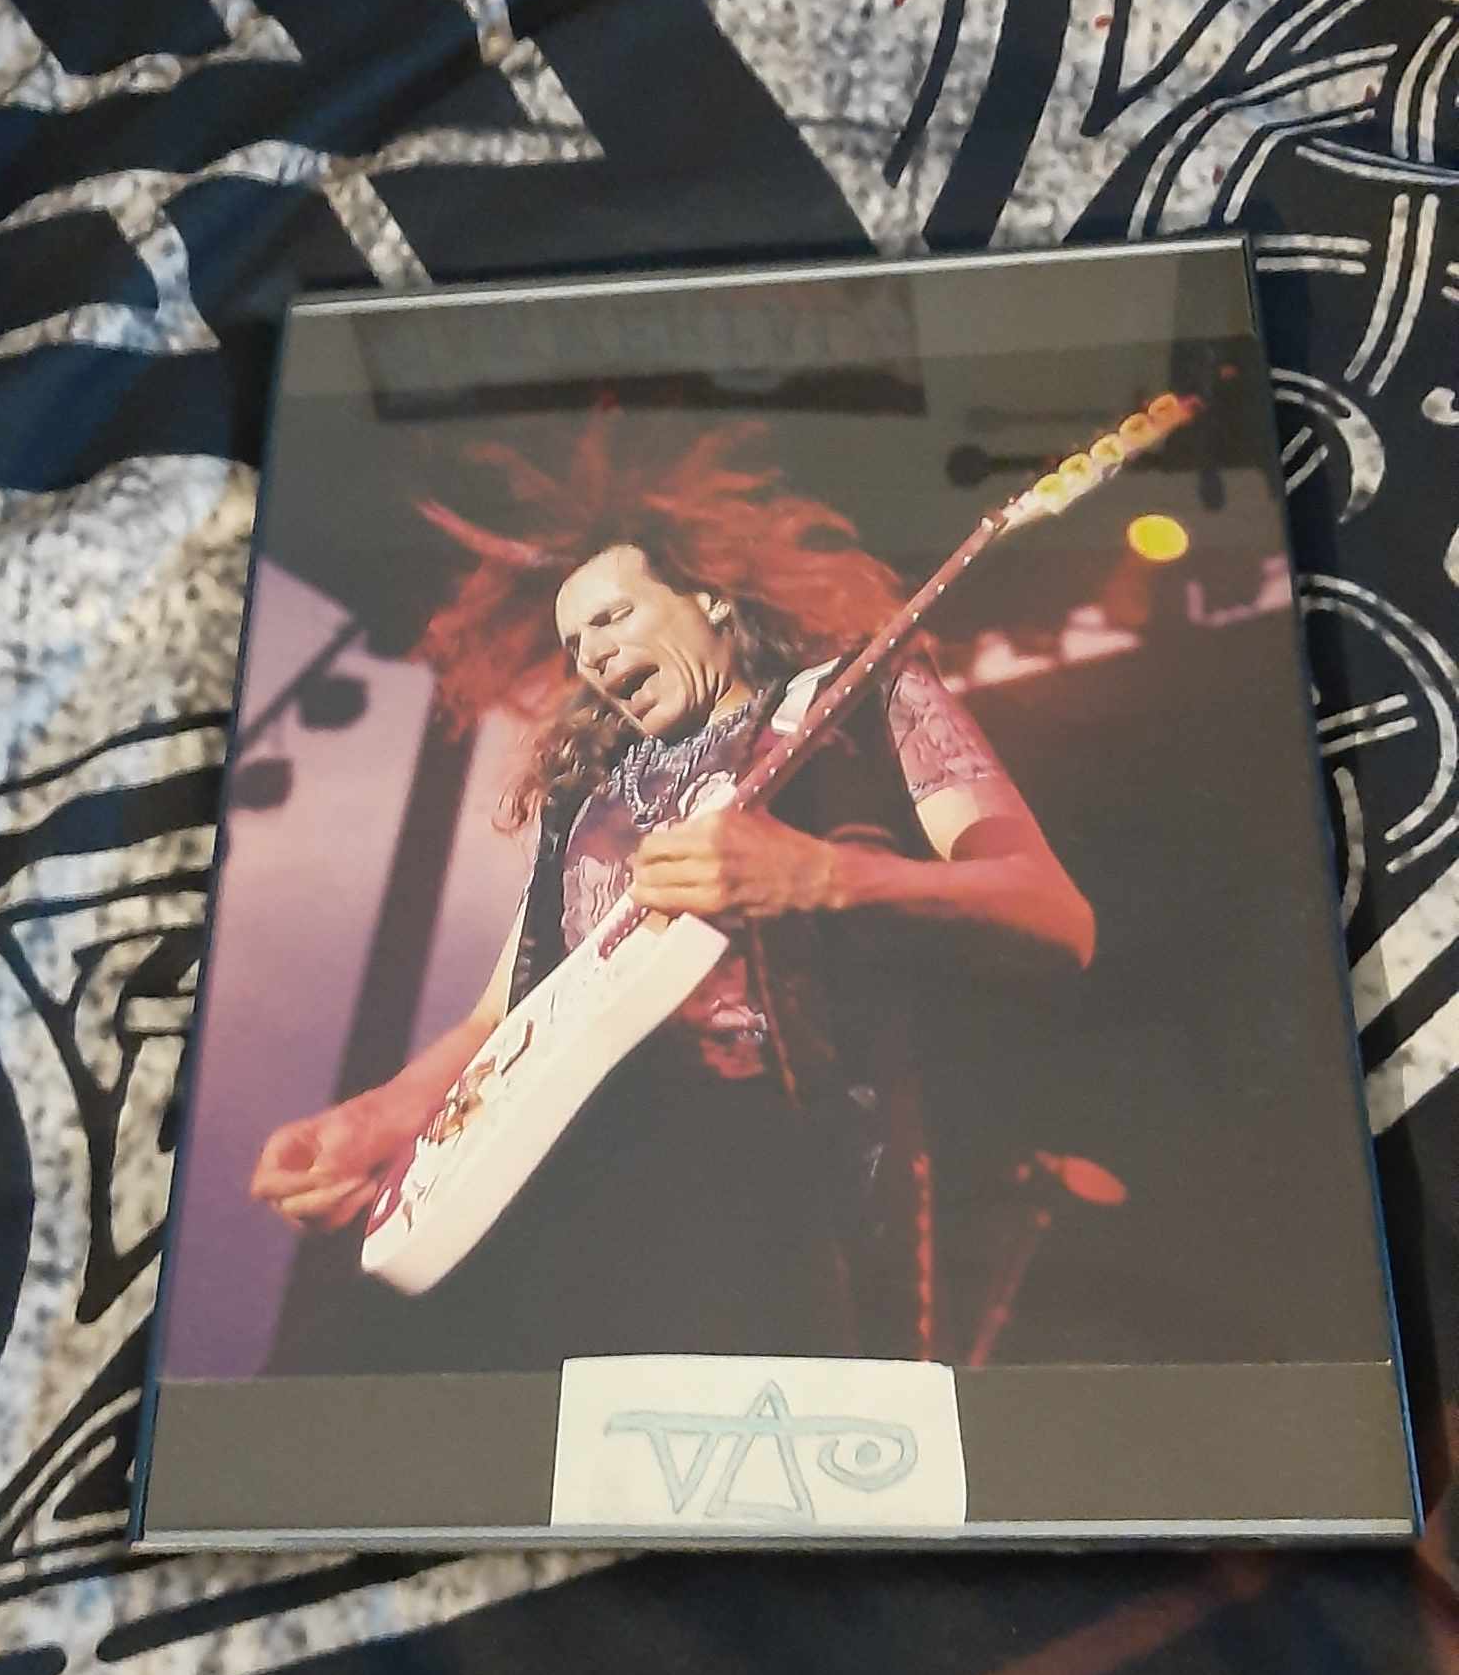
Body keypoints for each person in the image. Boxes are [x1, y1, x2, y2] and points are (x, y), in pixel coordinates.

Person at [252, 409, 1094, 1372]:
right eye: (574, 644)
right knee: (339, 1370)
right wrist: (372, 1122)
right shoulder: (585, 801)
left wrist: (825, 876)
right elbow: (504, 1016)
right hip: (556, 1191)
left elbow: (1052, 912)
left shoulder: (857, 701)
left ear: (712, 597)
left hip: (763, 1191)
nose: (591, 655)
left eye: (612, 617)